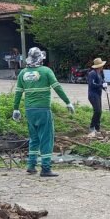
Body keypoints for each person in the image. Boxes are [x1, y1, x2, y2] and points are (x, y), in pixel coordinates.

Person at [12, 47, 75, 177]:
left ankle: (31, 165)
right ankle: (46, 168)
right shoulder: (46, 71)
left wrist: (16, 109)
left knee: (34, 138)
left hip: (29, 110)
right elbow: (57, 87)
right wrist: (67, 102)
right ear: (40, 59)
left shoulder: (23, 73)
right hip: (43, 110)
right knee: (46, 138)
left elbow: (18, 92)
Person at [87, 57, 108, 136]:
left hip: (98, 95)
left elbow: (101, 82)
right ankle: (92, 127)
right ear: (99, 66)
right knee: (97, 111)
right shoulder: (92, 73)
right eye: (102, 65)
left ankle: (97, 128)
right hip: (93, 95)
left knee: (99, 111)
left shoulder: (100, 73)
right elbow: (92, 84)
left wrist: (104, 87)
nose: (102, 67)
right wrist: (101, 85)